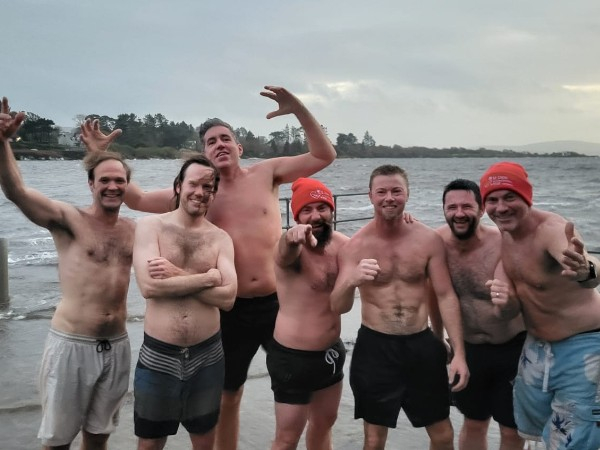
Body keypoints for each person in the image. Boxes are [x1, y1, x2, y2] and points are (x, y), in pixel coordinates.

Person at [82, 86, 336, 450]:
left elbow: (324, 154)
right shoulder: (198, 193)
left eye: (225, 138)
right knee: (228, 395)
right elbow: (135, 198)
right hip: (228, 308)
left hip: (278, 302)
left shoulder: (266, 173)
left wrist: (297, 108)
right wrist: (99, 153)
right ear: (204, 153)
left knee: (298, 387)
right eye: (211, 141)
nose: (219, 145)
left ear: (239, 147)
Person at [0, 97, 135, 450]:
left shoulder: (134, 231)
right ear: (91, 184)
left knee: (99, 437)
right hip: (72, 345)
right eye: (104, 180)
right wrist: (2, 143)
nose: (112, 186)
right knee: (57, 441)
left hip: (117, 346)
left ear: (127, 186)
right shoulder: (69, 220)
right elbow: (17, 192)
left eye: (119, 181)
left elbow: (181, 210)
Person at [331, 164, 469, 450]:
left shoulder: (428, 240)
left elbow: (445, 295)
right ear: (370, 195)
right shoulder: (354, 247)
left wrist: (458, 353)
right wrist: (351, 281)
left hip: (420, 345)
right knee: (374, 439)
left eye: (396, 191)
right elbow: (338, 306)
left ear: (408, 193)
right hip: (375, 349)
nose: (389, 198)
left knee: (443, 434)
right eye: (381, 192)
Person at [480, 162, 600, 450]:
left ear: (527, 197)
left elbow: (588, 268)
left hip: (584, 347)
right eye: (492, 200)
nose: (501, 207)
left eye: (509, 197)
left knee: (576, 438)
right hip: (536, 348)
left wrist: (586, 270)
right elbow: (508, 311)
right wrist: (505, 304)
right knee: (537, 431)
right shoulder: (506, 234)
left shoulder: (551, 230)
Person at [132, 154, 237, 450]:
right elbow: (150, 286)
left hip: (208, 356)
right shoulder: (150, 226)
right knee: (150, 443)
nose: (200, 192)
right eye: (194, 184)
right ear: (178, 185)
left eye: (208, 187)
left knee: (203, 441)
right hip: (159, 355)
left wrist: (177, 274)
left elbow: (228, 297)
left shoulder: (220, 238)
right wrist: (208, 278)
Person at [431, 179, 525, 450]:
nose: (459, 213)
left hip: (512, 347)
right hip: (468, 348)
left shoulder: (503, 242)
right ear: (444, 210)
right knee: (473, 422)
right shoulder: (436, 243)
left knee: (511, 429)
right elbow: (435, 295)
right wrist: (438, 338)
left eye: (467, 206)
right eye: (452, 207)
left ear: (482, 209)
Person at [268, 178, 349, 450]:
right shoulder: (291, 249)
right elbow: (284, 251)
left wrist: (403, 220)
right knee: (287, 438)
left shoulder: (343, 245)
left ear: (331, 210)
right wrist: (290, 237)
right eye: (307, 210)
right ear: (296, 217)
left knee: (324, 424)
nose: (315, 216)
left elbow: (377, 242)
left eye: (322, 208)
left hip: (331, 353)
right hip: (293, 359)